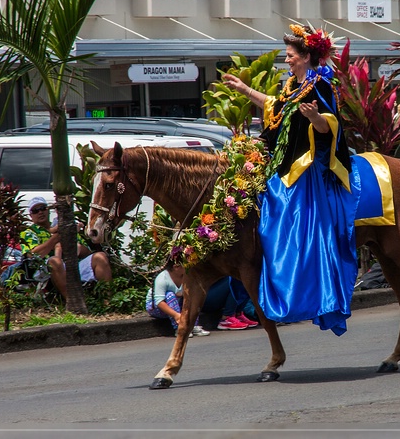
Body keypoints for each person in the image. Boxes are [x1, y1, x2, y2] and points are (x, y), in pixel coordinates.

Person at [221, 24, 356, 336]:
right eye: (286, 55)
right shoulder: (291, 86)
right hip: (279, 164)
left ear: (307, 56)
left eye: (291, 55)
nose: (286, 60)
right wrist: (243, 90)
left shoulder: (321, 86)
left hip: (304, 170)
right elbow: (274, 107)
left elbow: (330, 129)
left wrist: (315, 118)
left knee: (280, 220)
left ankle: (292, 295)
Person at [17, 197, 112, 300]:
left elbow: (88, 253)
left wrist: (79, 248)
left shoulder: (64, 225)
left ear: (48, 210)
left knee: (100, 257)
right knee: (55, 261)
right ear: (31, 215)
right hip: (46, 271)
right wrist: (58, 236)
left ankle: (108, 300)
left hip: (73, 265)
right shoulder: (29, 232)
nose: (40, 212)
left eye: (43, 208)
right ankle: (73, 301)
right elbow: (32, 255)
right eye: (35, 210)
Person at [145, 259, 210, 336]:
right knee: (170, 295)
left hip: (177, 304)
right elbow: (159, 302)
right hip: (158, 308)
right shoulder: (162, 278)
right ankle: (179, 328)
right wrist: (176, 315)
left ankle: (193, 326)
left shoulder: (187, 276)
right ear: (176, 267)